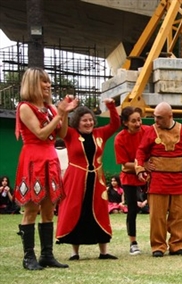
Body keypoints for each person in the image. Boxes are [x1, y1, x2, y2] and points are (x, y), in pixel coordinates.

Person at [14, 67, 78, 270]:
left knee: (49, 208)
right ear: (33, 84)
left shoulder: (49, 109)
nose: (48, 85)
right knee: (32, 207)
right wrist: (59, 114)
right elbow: (41, 134)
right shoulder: (25, 107)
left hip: (50, 159)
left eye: (48, 81)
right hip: (33, 158)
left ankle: (47, 254)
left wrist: (64, 113)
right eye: (43, 81)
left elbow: (62, 133)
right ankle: (28, 257)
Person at [56, 99, 120, 260]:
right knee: (76, 210)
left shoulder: (100, 134)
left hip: (96, 180)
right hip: (75, 180)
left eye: (90, 119)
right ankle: (74, 252)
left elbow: (115, 124)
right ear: (77, 121)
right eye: (84, 120)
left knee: (99, 211)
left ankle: (103, 251)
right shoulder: (70, 134)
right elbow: (60, 130)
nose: (88, 122)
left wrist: (111, 106)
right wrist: (64, 112)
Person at [135, 102, 182, 257]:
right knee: (157, 215)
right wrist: (140, 168)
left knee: (179, 214)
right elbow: (141, 151)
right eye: (155, 117)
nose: (156, 121)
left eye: (159, 118)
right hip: (157, 179)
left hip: (178, 178)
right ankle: (158, 246)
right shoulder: (151, 131)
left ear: (170, 116)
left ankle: (177, 245)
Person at [114, 106, 151, 255]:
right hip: (129, 177)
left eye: (139, 120)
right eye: (133, 121)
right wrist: (142, 166)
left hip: (149, 176)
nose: (138, 123)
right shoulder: (120, 139)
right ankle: (133, 242)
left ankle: (158, 240)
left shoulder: (148, 131)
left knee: (157, 207)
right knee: (132, 210)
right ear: (125, 123)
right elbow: (125, 165)